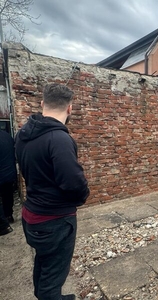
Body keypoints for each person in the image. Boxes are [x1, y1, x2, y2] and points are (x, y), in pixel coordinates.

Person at [15, 83, 90, 300]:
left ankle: (46, 294)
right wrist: (82, 196)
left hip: (32, 216)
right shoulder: (59, 139)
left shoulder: (22, 134)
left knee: (44, 261)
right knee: (54, 275)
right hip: (54, 220)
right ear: (69, 108)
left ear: (42, 104)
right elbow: (73, 183)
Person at [0, 129, 17, 235]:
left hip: (2, 172)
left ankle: (3, 225)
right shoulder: (7, 136)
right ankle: (9, 215)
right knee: (8, 194)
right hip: (9, 172)